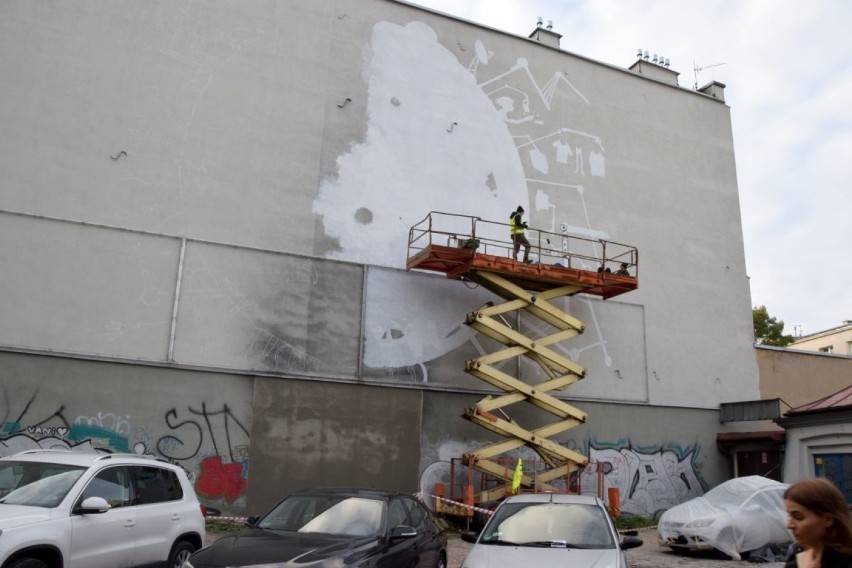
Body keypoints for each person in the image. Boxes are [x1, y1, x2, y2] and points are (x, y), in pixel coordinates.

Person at [784, 477, 852, 568]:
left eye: (798, 517)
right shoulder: (797, 559)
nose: (789, 525)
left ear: (828, 519)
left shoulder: (846, 561)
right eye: (789, 516)